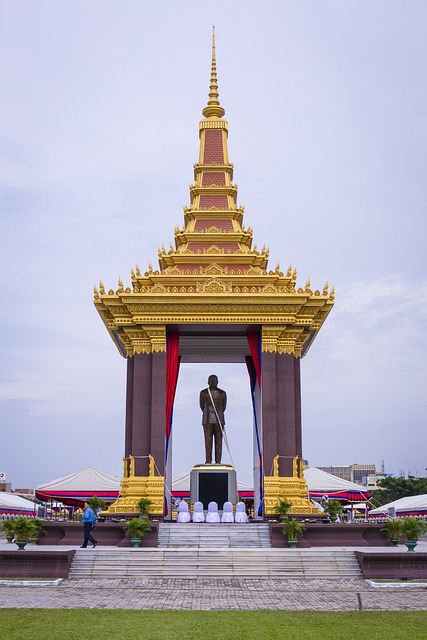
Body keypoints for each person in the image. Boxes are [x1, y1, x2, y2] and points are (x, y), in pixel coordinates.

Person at [199, 374, 227, 464]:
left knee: (208, 440)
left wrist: (208, 412)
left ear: (208, 382)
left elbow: (202, 406)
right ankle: (218, 461)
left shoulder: (203, 393)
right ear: (217, 382)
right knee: (219, 440)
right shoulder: (223, 393)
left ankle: (208, 461)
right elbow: (223, 407)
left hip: (207, 419)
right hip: (219, 418)